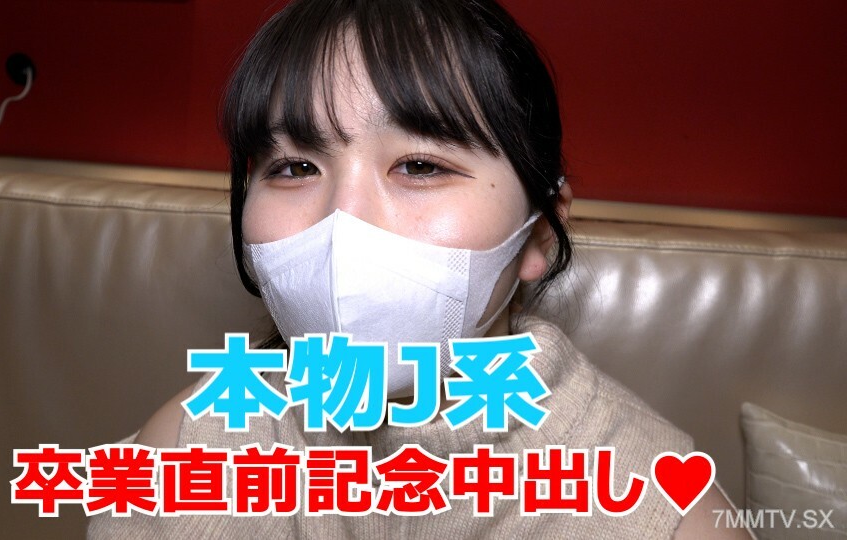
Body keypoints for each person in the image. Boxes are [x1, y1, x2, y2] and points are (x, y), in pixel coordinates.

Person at [89, 0, 747, 537]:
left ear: (540, 232)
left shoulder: (665, 512)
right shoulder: (176, 458)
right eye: (294, 167)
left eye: (421, 165)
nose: (344, 222)